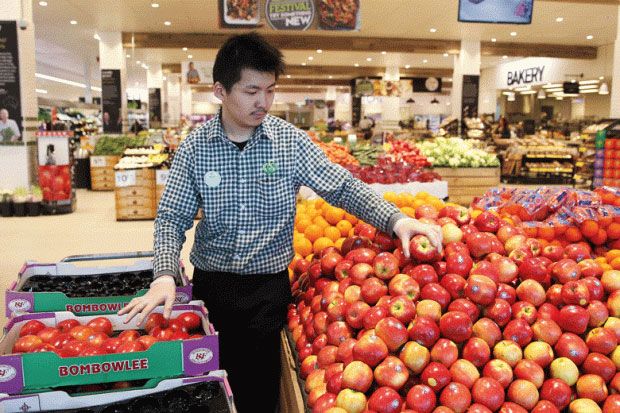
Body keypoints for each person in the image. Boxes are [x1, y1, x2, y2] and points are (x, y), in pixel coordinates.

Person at [119, 33, 442, 412]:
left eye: (270, 91)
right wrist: (163, 274)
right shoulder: (195, 148)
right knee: (210, 388)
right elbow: (172, 217)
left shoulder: (289, 142)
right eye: (252, 91)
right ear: (220, 91)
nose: (263, 102)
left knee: (259, 388)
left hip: (267, 291)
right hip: (213, 285)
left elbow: (341, 186)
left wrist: (396, 220)